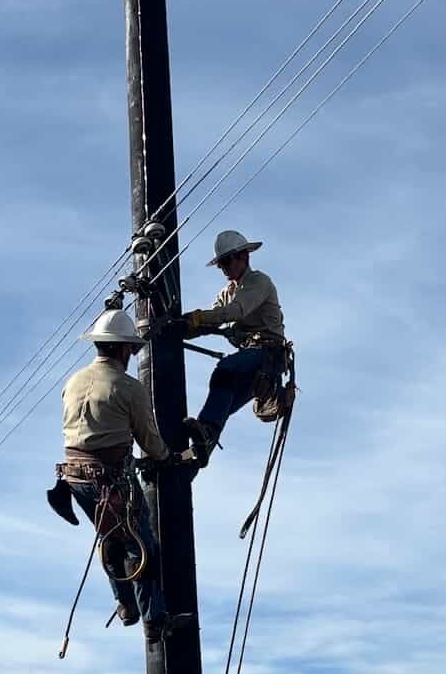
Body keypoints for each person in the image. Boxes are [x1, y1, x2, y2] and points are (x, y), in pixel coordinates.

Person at [49, 309, 190, 643]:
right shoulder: (128, 388)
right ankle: (155, 621)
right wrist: (168, 458)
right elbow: (149, 440)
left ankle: (125, 604)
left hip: (74, 479)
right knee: (140, 545)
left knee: (110, 536)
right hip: (108, 478)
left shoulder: (73, 380)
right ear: (123, 348)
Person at [179, 230, 287, 467]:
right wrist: (180, 327)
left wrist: (195, 319)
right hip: (252, 360)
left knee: (224, 371)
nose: (224, 269)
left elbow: (233, 312)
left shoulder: (258, 282)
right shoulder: (227, 293)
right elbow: (213, 319)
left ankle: (205, 434)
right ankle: (197, 455)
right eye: (221, 265)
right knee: (222, 401)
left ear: (244, 257)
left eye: (227, 261)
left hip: (269, 356)